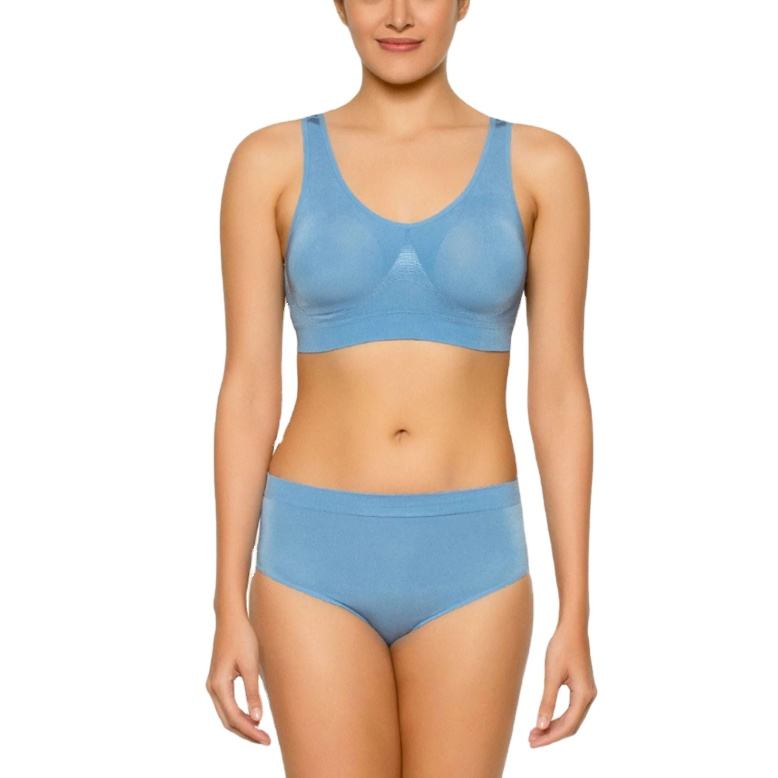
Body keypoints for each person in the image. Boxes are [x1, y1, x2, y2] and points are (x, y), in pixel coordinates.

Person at [206, 1, 596, 774]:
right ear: (339, 4)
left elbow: (559, 394)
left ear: (463, 2)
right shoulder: (269, 161)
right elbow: (248, 389)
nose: (398, 14)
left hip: (474, 562)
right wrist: (226, 603)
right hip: (312, 558)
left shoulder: (543, 166)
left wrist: (576, 611)